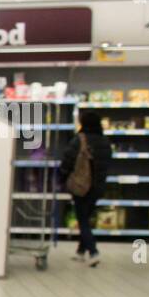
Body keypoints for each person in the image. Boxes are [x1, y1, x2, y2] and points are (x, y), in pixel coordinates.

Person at [60, 110, 112, 267]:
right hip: (98, 186)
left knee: (82, 219)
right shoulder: (105, 142)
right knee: (86, 218)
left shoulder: (79, 140)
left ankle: (93, 251)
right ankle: (80, 251)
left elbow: (68, 160)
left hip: (82, 185)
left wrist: (62, 177)